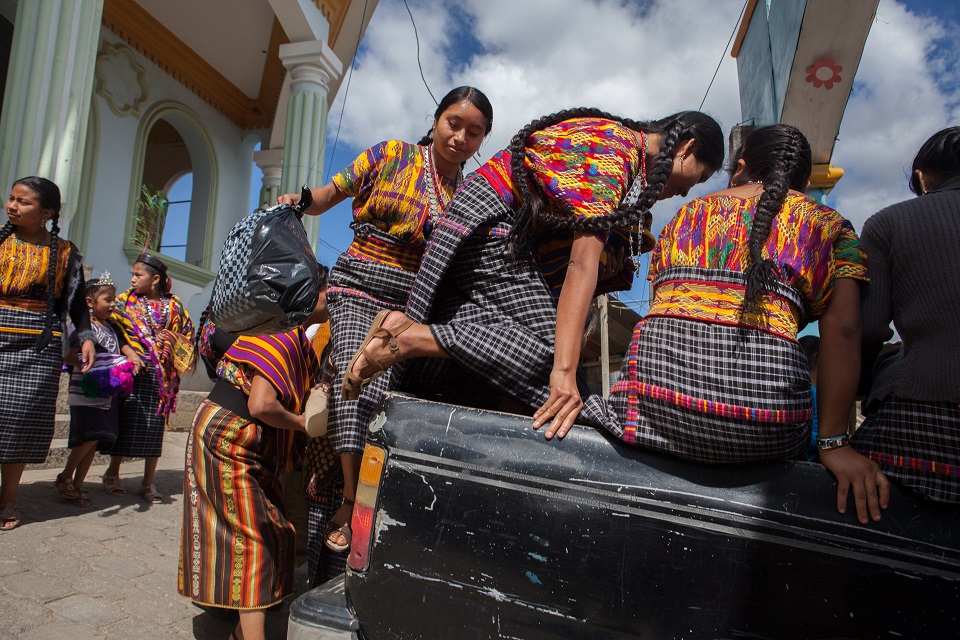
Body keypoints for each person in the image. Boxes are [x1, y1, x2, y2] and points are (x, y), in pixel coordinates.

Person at [339, 108, 723, 442]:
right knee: (548, 355)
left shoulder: (616, 143)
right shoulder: (615, 158)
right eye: (699, 177)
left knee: (525, 354)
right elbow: (581, 265)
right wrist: (565, 373)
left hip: (491, 228)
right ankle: (407, 336)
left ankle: (414, 339)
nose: (688, 189)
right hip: (488, 227)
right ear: (685, 148)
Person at [588, 124, 886, 525]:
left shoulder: (689, 212)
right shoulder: (832, 227)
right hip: (767, 431)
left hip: (649, 408)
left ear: (741, 166)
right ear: (802, 179)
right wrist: (833, 444)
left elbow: (663, 304)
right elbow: (846, 332)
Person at [277, 86, 493, 554]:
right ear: (437, 119)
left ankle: (384, 487)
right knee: (357, 380)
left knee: (391, 394)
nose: (460, 137)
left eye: (474, 133)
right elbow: (330, 194)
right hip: (357, 284)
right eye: (454, 123)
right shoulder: (391, 154)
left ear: (482, 140)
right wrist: (297, 202)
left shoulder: (470, 194)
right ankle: (352, 498)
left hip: (413, 300)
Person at [178, 282, 329, 640]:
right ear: (309, 296)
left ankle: (240, 632)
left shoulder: (289, 333)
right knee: (254, 540)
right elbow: (261, 404)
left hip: (245, 437)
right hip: (229, 435)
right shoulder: (282, 332)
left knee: (274, 530)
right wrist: (302, 426)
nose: (333, 300)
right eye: (328, 293)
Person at [851, 126, 960, 504]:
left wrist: (863, 391)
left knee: (858, 483)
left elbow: (865, 330)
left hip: (926, 422)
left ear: (922, 177)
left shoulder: (890, 223)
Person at [0, 177, 95, 530]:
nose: (12, 206)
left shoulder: (66, 253)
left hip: (37, 346)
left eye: (23, 202)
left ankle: (8, 498)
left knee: (18, 421)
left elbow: (77, 303)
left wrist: (84, 338)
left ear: (46, 213)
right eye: (11, 198)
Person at [103, 253, 193, 504]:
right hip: (132, 371)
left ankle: (147, 482)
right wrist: (130, 352)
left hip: (161, 376)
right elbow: (113, 330)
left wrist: (171, 339)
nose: (132, 279)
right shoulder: (123, 302)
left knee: (154, 428)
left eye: (138, 275)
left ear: (154, 279)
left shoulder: (174, 306)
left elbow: (187, 333)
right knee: (124, 419)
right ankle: (112, 473)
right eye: (132, 274)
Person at [55, 273, 138, 507]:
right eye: (108, 299)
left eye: (114, 300)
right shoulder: (83, 329)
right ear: (90, 303)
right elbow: (69, 354)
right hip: (85, 392)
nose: (113, 304)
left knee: (96, 438)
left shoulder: (112, 330)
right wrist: (93, 363)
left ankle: (77, 486)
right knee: (89, 436)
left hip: (106, 395)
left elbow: (121, 348)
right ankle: (64, 477)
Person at [798, 335, 821, 461]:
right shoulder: (810, 392)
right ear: (817, 359)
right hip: (811, 460)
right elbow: (804, 434)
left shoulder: (803, 391)